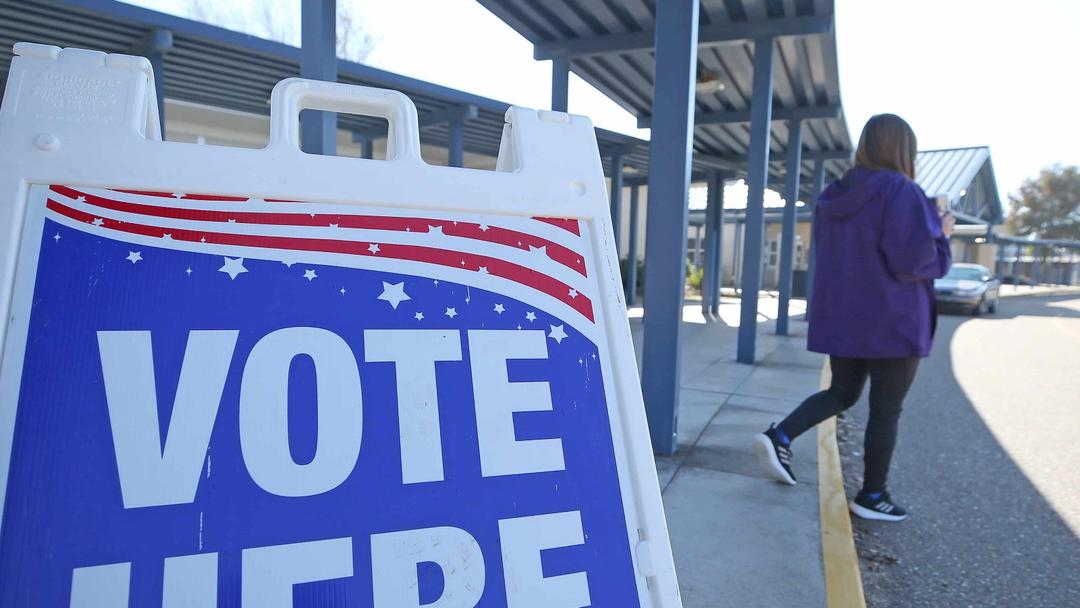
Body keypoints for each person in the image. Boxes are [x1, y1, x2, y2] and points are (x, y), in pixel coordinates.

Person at [753, 114, 954, 522]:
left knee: (842, 392)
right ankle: (873, 494)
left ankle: (781, 435)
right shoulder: (903, 190)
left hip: (847, 318)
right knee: (886, 409)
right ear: (903, 149)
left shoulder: (834, 195)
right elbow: (913, 261)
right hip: (894, 320)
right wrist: (942, 235)